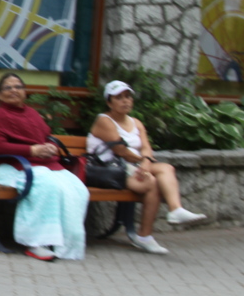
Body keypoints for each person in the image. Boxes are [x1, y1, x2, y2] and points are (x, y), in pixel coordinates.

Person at [88, 80, 207, 255]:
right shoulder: (104, 120)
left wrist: (145, 161)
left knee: (166, 169)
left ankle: (175, 210)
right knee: (152, 182)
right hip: (109, 169)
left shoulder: (136, 123)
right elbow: (120, 150)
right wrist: (143, 162)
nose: (125, 101)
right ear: (109, 102)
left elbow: (146, 148)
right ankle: (145, 235)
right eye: (119, 97)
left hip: (130, 167)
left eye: (128, 96)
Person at [0, 72, 90, 261]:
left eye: (18, 87)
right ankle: (35, 243)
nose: (14, 90)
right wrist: (32, 150)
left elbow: (46, 137)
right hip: (8, 166)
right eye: (8, 87)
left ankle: (65, 242)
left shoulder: (32, 113)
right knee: (47, 186)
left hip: (41, 164)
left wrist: (51, 147)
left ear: (25, 92)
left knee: (78, 189)